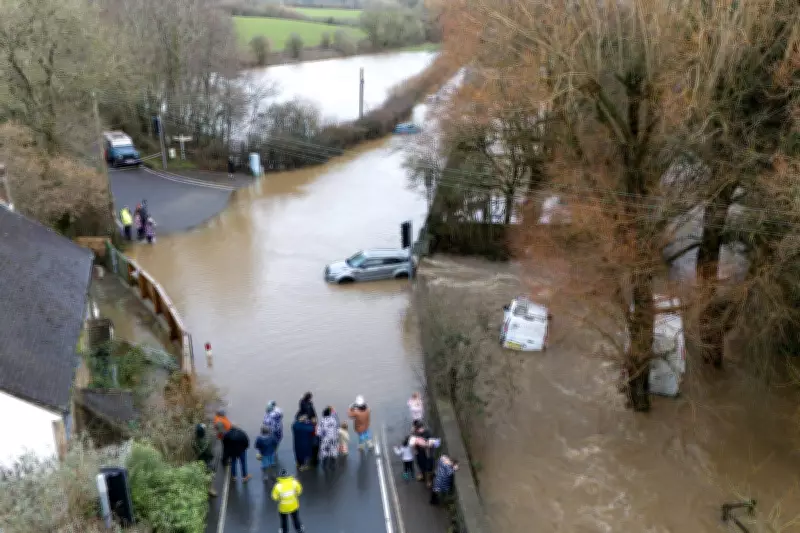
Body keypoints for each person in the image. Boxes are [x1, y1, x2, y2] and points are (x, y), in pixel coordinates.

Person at [192, 423, 217, 497]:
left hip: (200, 459)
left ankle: (202, 487)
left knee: (202, 472)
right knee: (210, 474)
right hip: (206, 459)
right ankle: (210, 490)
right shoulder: (205, 441)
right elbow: (208, 452)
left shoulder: (194, 441)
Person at [412, 419, 434, 485]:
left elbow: (431, 443)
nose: (419, 430)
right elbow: (413, 441)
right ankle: (422, 475)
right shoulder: (415, 433)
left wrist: (424, 444)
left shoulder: (428, 433)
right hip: (419, 453)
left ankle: (429, 481)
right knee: (420, 465)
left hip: (427, 454)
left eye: (420, 429)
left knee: (428, 468)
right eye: (417, 429)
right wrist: (415, 448)